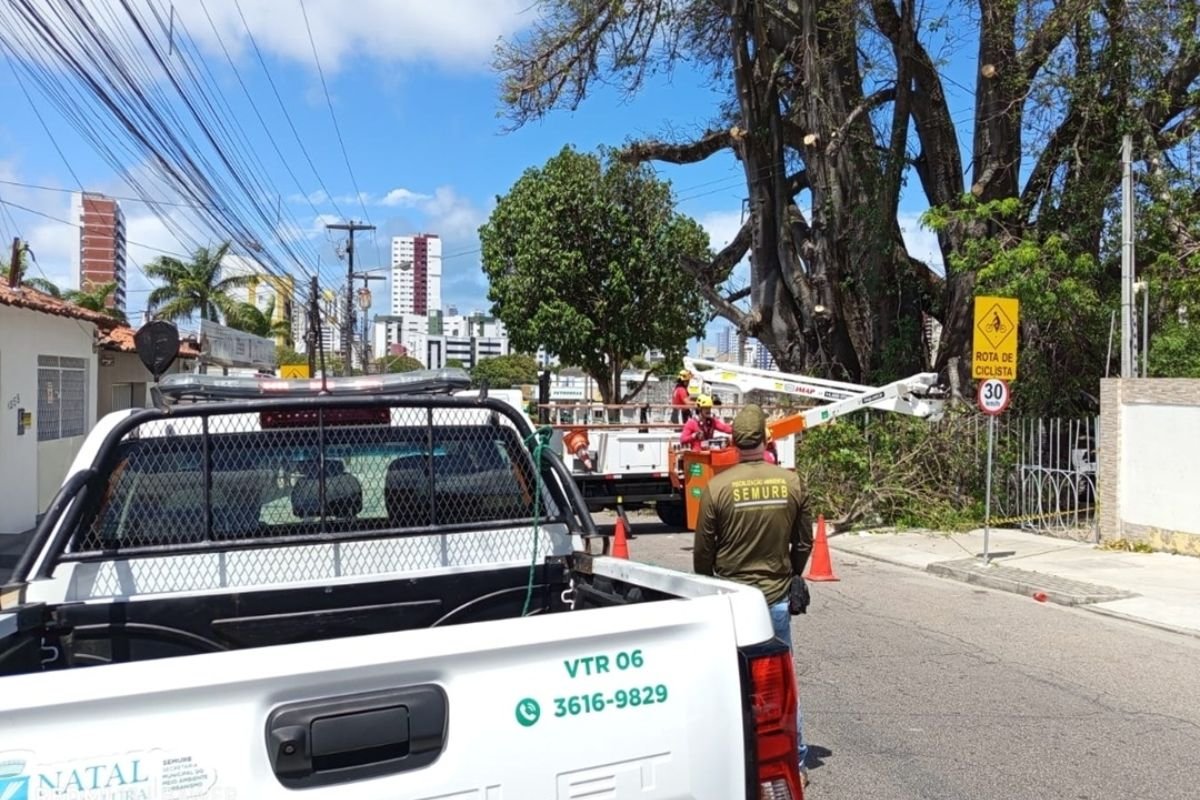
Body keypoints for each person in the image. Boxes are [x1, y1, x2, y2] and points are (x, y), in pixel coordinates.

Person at [692, 404, 813, 783]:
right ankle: (795, 762)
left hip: (732, 602)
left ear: (733, 440)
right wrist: (793, 574)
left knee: (732, 685)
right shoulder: (791, 483)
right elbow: (805, 541)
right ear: (765, 439)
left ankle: (734, 763)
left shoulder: (717, 488)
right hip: (774, 600)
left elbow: (703, 551)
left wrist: (709, 582)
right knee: (781, 686)